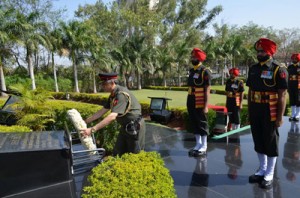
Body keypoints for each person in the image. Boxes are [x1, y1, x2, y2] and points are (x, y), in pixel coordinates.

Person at [246, 38, 288, 189]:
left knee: (270, 140)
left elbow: (282, 95)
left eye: (262, 51)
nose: (259, 53)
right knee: (258, 139)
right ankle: (262, 169)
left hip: (270, 110)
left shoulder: (279, 69)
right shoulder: (253, 68)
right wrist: (250, 112)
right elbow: (250, 92)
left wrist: (279, 117)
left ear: (269, 52)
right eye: (258, 51)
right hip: (256, 109)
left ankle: (270, 172)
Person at [81, 73, 146, 156]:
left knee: (135, 154)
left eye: (104, 84)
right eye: (102, 84)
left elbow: (112, 116)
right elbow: (102, 111)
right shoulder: (113, 94)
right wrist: (85, 121)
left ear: (112, 83)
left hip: (135, 127)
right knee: (118, 152)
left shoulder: (121, 95)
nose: (103, 86)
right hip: (126, 127)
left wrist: (92, 129)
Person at [187, 48, 211, 157]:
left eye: (195, 57)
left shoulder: (205, 71)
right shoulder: (192, 71)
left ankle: (204, 145)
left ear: (199, 58)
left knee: (202, 122)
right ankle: (198, 144)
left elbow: (207, 89)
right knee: (194, 121)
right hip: (191, 98)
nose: (193, 59)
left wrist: (206, 106)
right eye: (192, 57)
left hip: (200, 99)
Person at [287, 53, 300, 122]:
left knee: (298, 100)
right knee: (292, 100)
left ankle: (297, 115)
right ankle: (292, 114)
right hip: (291, 85)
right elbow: (288, 77)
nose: (294, 60)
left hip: (298, 86)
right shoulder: (290, 67)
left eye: (295, 59)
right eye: (293, 58)